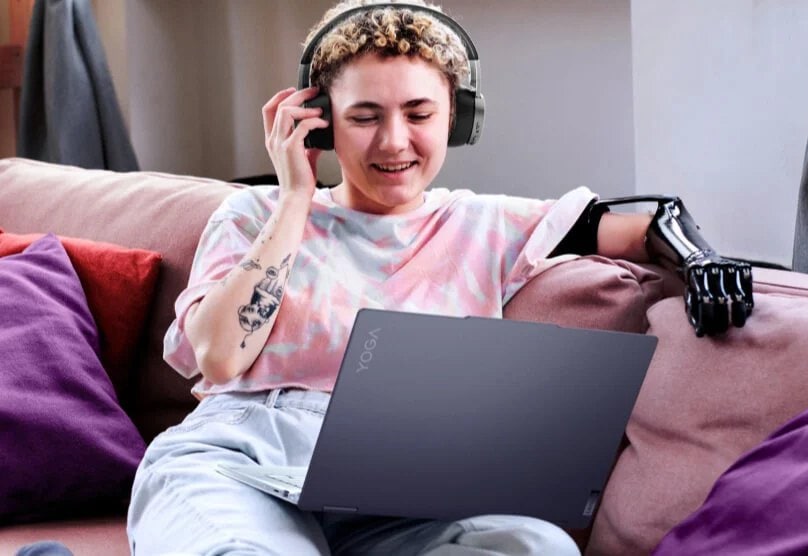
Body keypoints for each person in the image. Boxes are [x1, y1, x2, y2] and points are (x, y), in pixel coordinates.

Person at [127, 1, 752, 554]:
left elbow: (645, 222)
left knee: (536, 545)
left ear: (456, 115)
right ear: (320, 120)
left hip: (402, 495)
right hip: (243, 463)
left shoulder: (486, 224)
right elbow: (218, 354)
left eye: (419, 112)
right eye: (365, 115)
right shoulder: (256, 213)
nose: (394, 141)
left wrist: (701, 260)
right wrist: (295, 197)